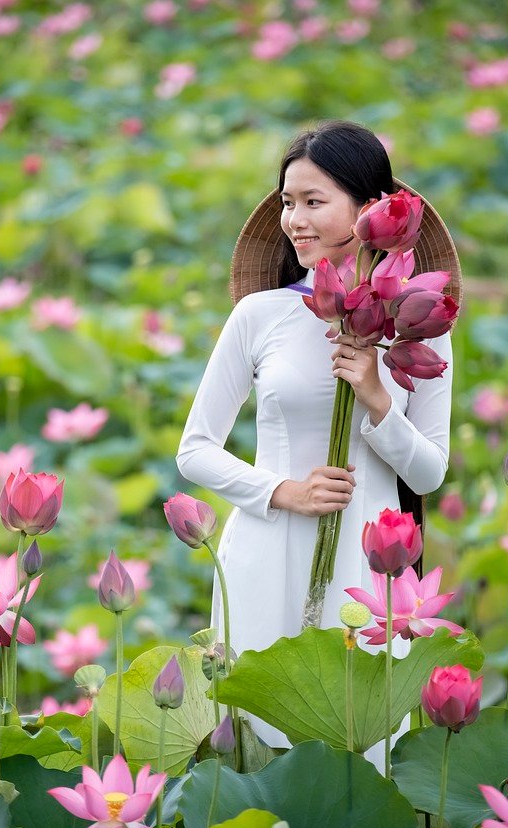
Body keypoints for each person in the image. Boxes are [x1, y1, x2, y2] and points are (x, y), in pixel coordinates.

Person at [175, 120, 463, 764]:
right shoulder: (260, 314)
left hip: (370, 566)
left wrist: (378, 398)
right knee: (256, 754)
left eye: (312, 201)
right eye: (286, 203)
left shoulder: (418, 325)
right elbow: (194, 449)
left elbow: (430, 472)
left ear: (368, 212)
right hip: (263, 548)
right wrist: (282, 490)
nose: (294, 220)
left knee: (364, 753)